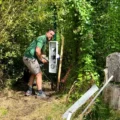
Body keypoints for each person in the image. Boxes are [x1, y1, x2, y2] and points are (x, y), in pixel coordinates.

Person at [23, 29, 55, 98]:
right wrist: (41, 59)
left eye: (52, 35)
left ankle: (29, 90)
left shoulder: (44, 40)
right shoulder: (42, 38)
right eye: (50, 34)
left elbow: (41, 53)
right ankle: (40, 93)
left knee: (34, 73)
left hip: (27, 57)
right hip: (30, 58)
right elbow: (37, 51)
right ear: (47, 33)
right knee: (39, 74)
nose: (51, 36)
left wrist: (45, 58)